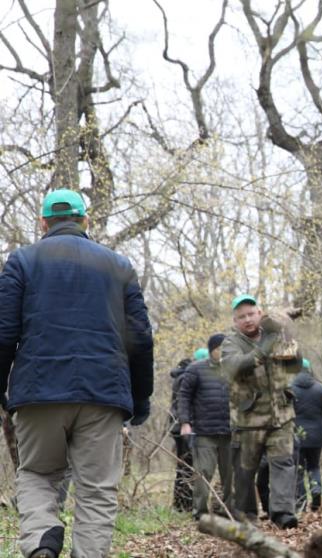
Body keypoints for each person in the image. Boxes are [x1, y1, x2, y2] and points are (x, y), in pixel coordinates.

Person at [0, 189, 154, 558]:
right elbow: (142, 339)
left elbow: (4, 333)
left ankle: (41, 541)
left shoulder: (21, 261)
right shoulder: (118, 265)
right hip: (103, 394)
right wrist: (141, 396)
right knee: (97, 489)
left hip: (39, 392)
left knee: (37, 473)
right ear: (86, 221)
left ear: (43, 223)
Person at [220, 295, 300, 529]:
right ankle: (247, 516)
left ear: (260, 313)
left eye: (251, 314)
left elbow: (294, 366)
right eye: (241, 317)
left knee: (283, 464)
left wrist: (288, 336)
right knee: (245, 471)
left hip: (281, 415)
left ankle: (283, 513)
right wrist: (267, 345)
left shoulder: (276, 334)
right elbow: (235, 366)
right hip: (249, 419)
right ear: (235, 321)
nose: (247, 320)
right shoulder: (230, 343)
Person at [178, 334, 233, 519]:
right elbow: (184, 396)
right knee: (203, 473)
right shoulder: (195, 369)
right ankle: (199, 512)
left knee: (230, 475)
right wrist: (185, 422)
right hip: (204, 431)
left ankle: (227, 511)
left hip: (230, 431)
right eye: (220, 349)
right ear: (212, 350)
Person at [291, 359, 322, 512]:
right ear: (309, 370)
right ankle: (316, 492)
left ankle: (301, 502)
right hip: (316, 437)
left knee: (298, 469)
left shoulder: (289, 389)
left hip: (296, 436)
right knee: (314, 467)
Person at [169, 358, 195, 513]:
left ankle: (181, 504)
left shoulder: (179, 377)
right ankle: (183, 504)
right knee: (186, 466)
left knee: (183, 466)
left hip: (177, 426)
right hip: (183, 427)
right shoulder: (185, 378)